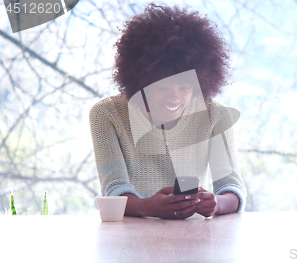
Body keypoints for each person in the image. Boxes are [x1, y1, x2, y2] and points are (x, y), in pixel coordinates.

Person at [89, 3, 246, 219]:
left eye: (185, 88)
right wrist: (146, 207)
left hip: (196, 238)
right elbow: (113, 188)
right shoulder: (107, 114)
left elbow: (232, 188)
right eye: (162, 88)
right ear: (141, 83)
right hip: (131, 239)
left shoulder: (215, 116)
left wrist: (217, 203)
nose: (174, 98)